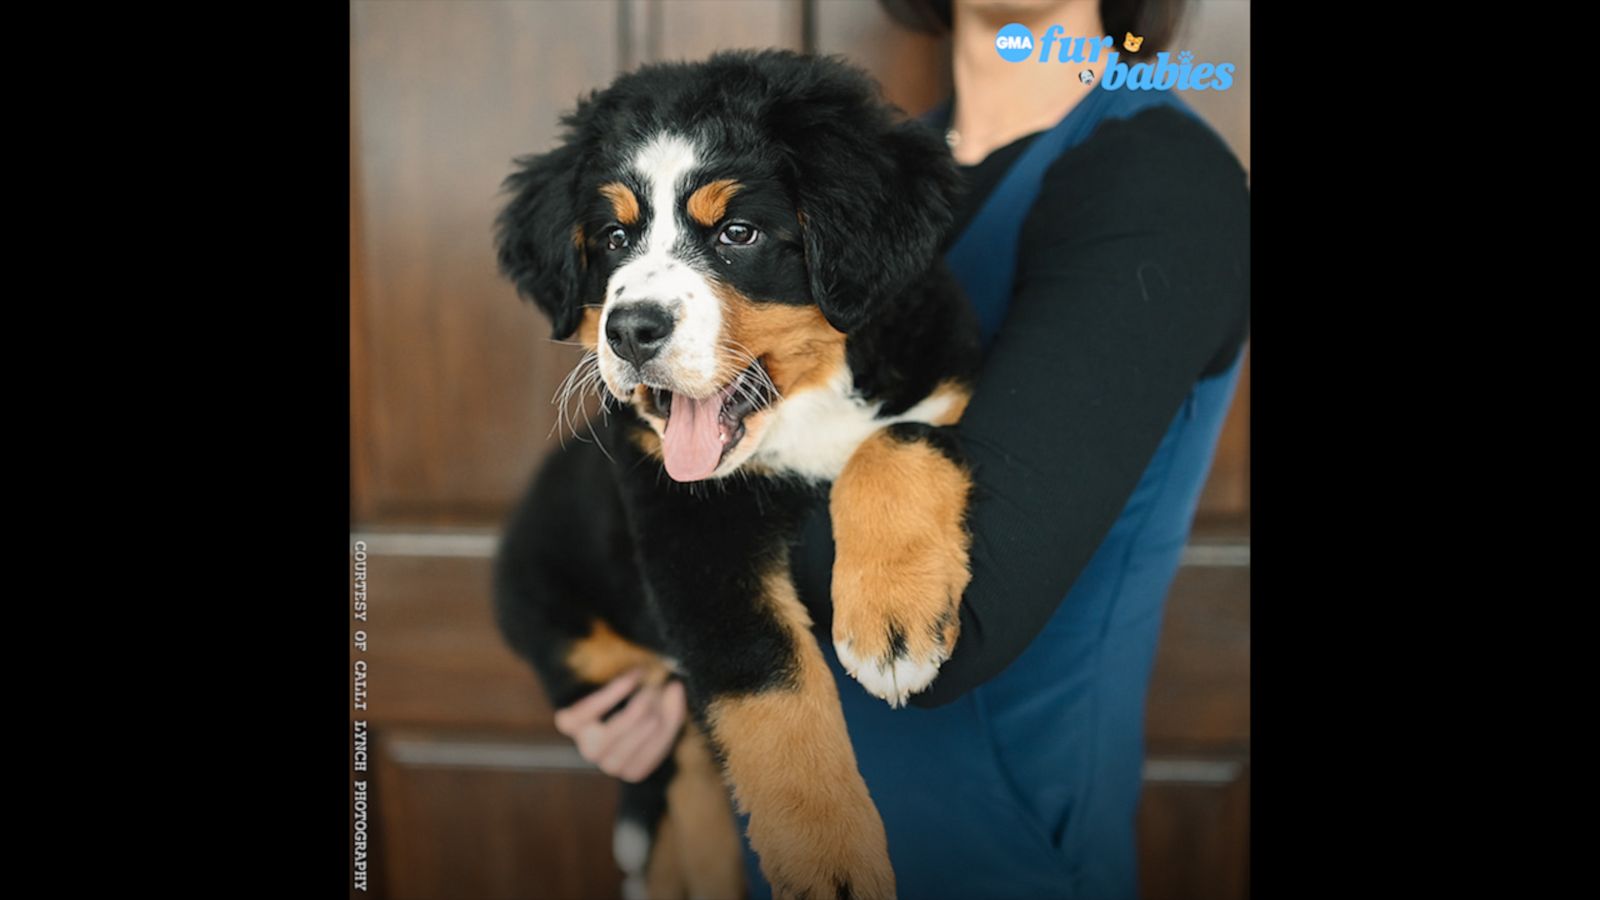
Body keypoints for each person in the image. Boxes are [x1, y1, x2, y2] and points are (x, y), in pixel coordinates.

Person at [553, 1, 1249, 897]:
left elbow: (955, 626)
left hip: (994, 858)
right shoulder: (835, 166)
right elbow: (646, 475)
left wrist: (677, 570)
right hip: (781, 848)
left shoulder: (1158, 180)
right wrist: (638, 660)